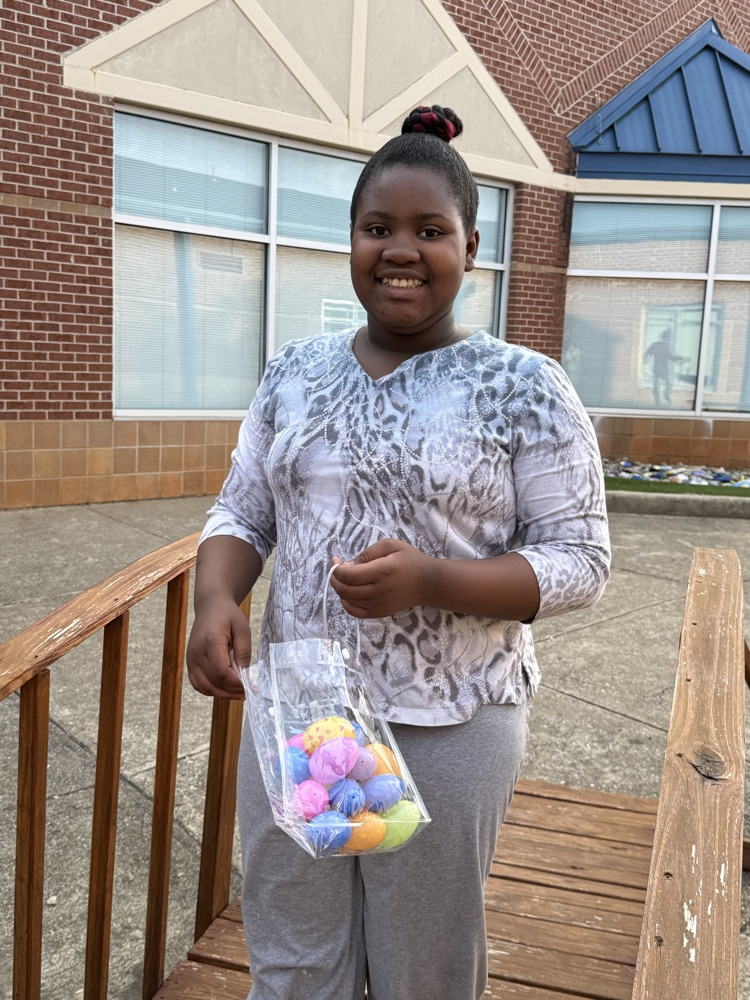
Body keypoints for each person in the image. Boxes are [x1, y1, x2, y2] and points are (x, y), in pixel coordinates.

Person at [186, 105, 611, 1000]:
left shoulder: (524, 388)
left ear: (471, 243)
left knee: (419, 967)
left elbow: (580, 560)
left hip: (447, 722)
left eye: (430, 229)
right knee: (296, 954)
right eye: (378, 228)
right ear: (351, 240)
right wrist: (213, 597)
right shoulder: (294, 371)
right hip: (304, 714)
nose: (401, 250)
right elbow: (244, 506)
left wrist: (434, 581)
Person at [644, 328, 686, 405]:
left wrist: (681, 358)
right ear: (665, 338)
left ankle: (664, 396)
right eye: (668, 339)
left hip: (661, 370)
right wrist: (647, 358)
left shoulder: (663, 346)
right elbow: (648, 352)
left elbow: (672, 357)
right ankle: (660, 400)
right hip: (659, 369)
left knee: (666, 383)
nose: (668, 341)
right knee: (659, 385)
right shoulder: (658, 345)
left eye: (669, 339)